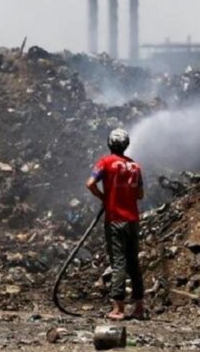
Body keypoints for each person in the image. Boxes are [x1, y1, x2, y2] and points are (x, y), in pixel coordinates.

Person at [86, 128, 145, 320]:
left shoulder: (105, 162)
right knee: (133, 263)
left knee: (118, 262)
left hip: (115, 219)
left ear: (109, 144)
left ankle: (118, 308)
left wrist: (104, 197)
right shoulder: (135, 166)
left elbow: (90, 183)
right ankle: (139, 308)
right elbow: (140, 195)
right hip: (133, 220)